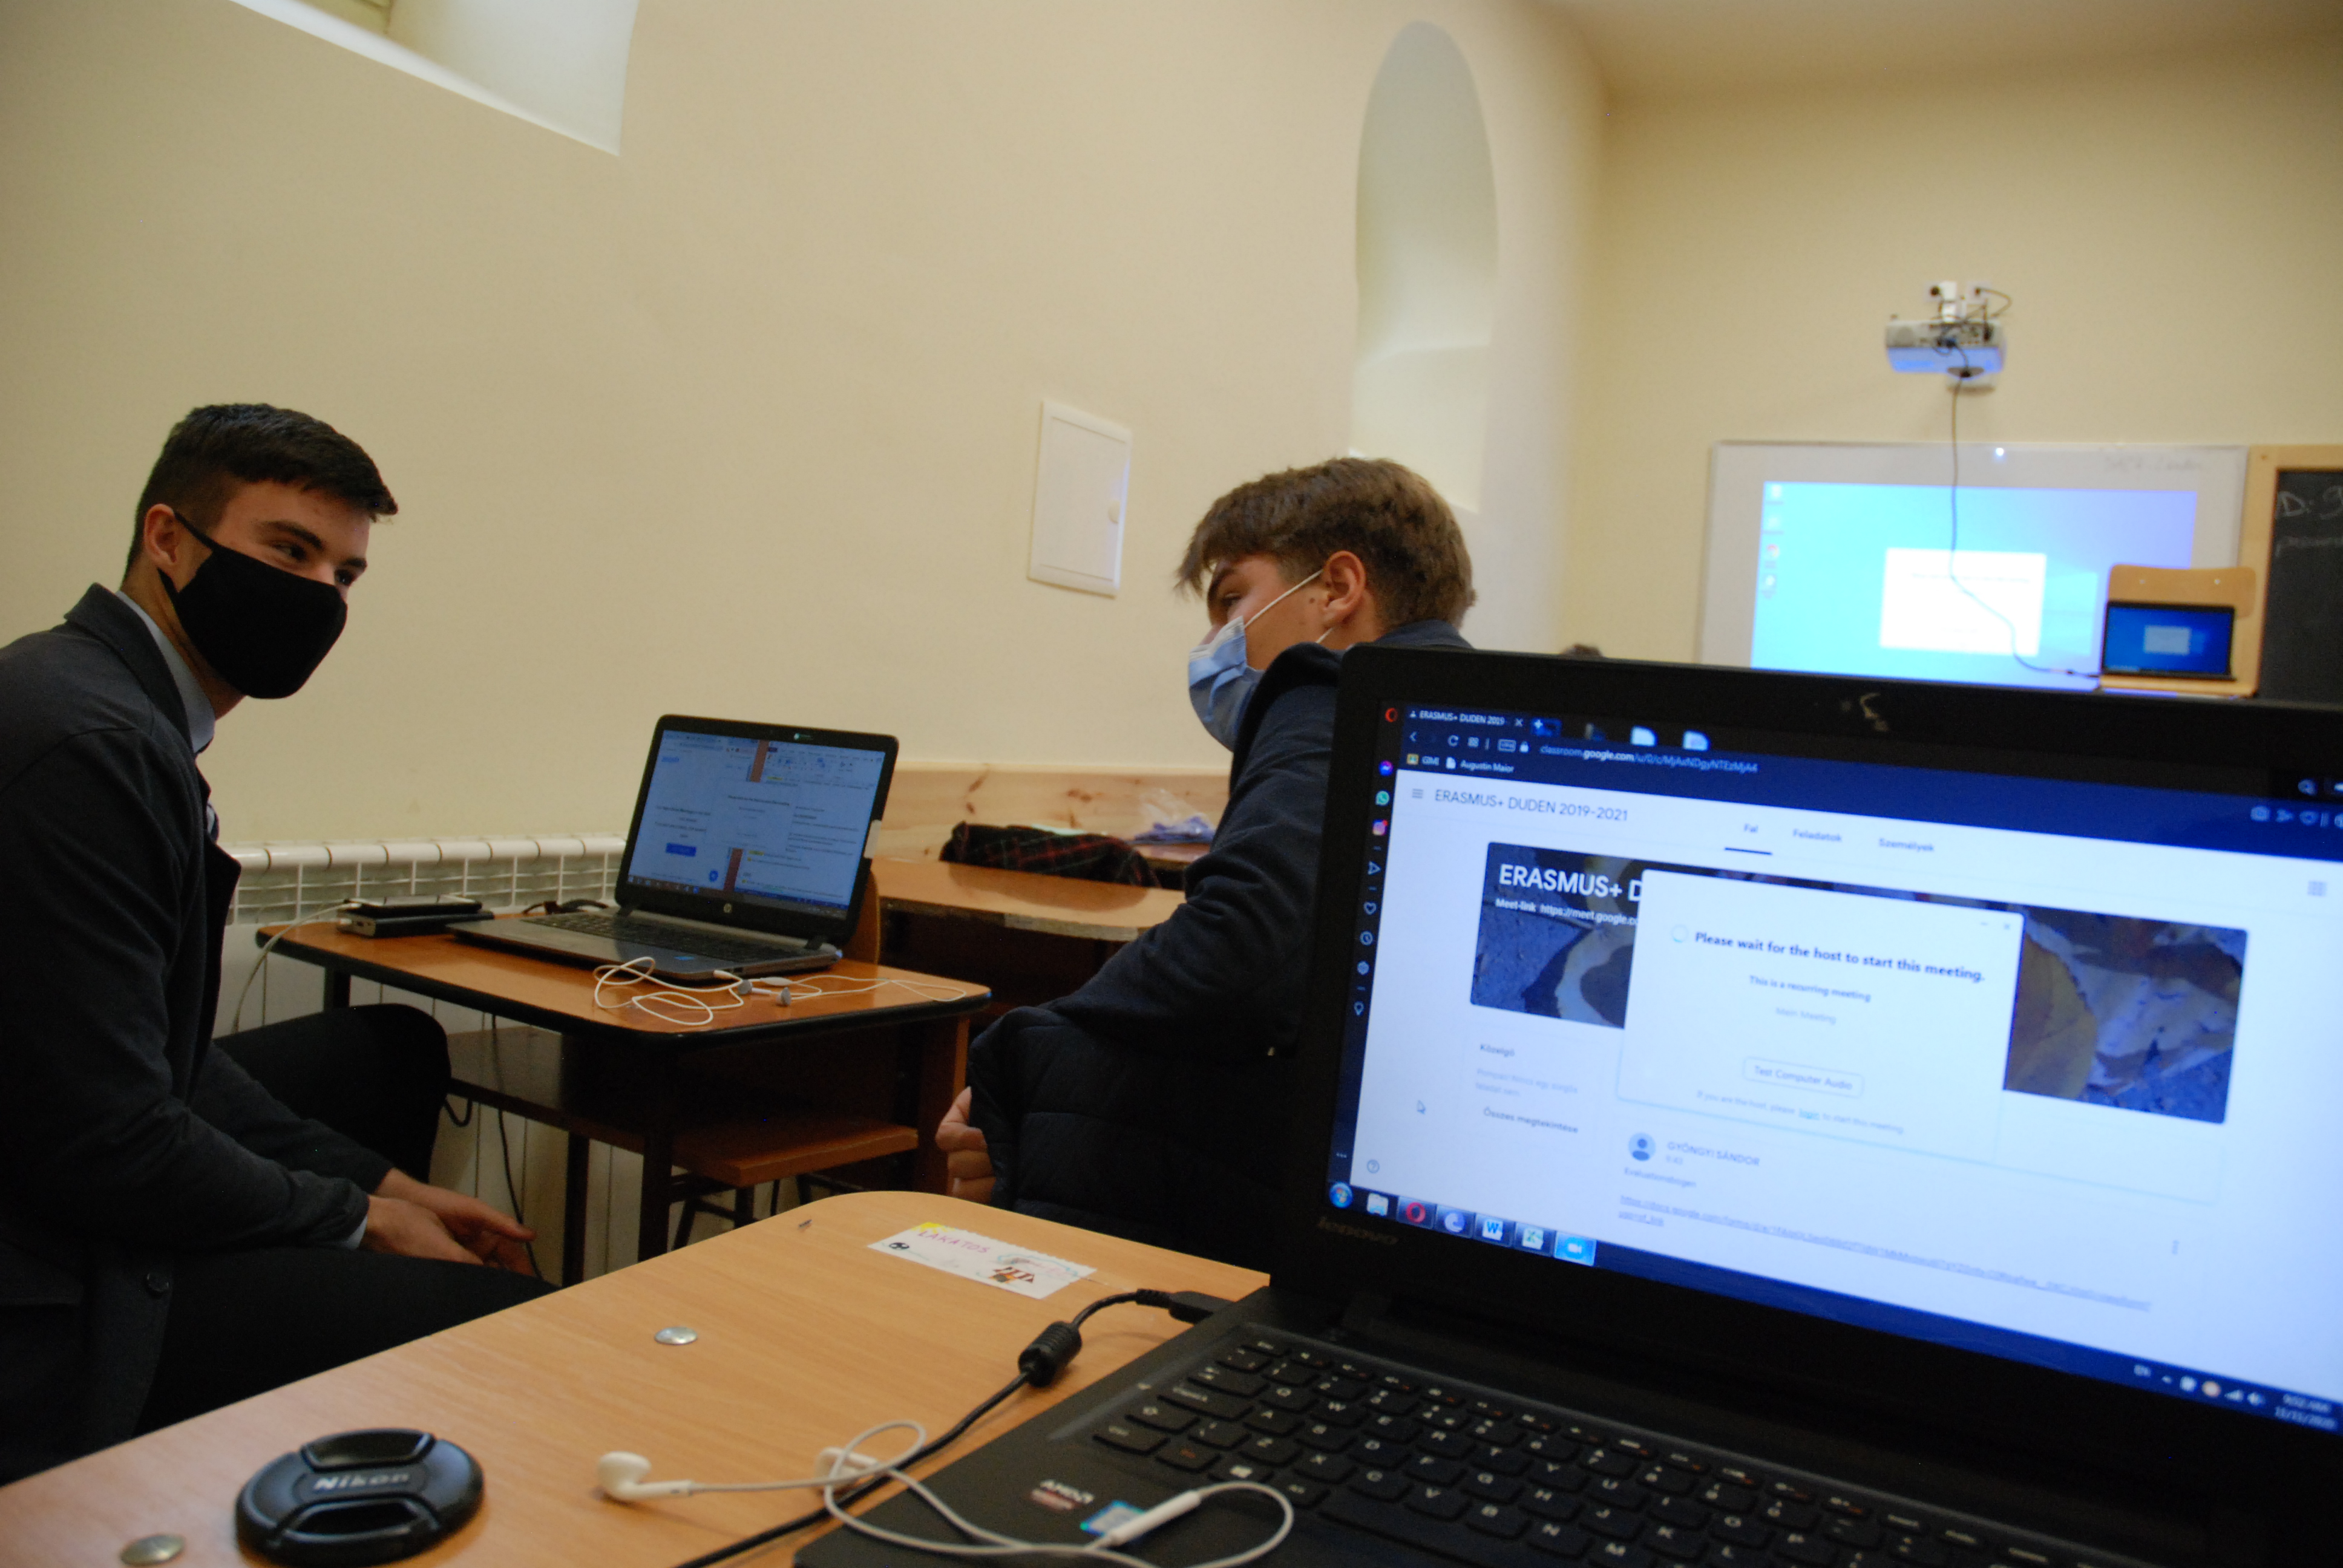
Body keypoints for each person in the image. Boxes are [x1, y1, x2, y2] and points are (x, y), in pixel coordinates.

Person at [0, 405, 551, 1484]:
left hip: (73, 1160)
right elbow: (111, 1141)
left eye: (345, 575)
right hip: (54, 1282)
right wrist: (359, 1224)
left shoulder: (98, 696)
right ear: (168, 538)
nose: (319, 595)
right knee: (503, 1323)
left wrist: (383, 1185)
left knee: (387, 1049)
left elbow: (159, 1054)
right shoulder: (92, 745)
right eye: (288, 551)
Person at [938, 457, 1474, 1267]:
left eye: (1231, 600)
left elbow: (1240, 949)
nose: (1210, 643)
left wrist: (1023, 1059)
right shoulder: (1475, 713)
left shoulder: (1325, 695)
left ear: (1337, 589)